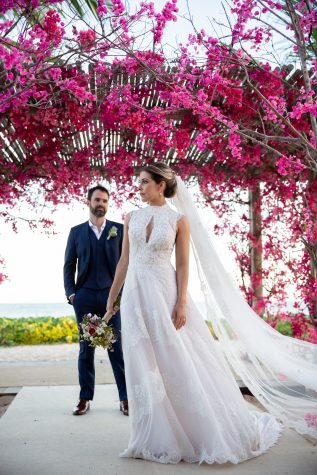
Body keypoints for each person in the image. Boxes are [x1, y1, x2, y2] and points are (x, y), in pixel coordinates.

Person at [105, 162, 283, 464]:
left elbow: (184, 264)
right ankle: (150, 434)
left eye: (145, 182)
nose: (139, 187)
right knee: (141, 360)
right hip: (135, 295)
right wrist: (112, 300)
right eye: (139, 182)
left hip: (165, 293)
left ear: (161, 185)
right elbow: (124, 261)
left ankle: (193, 429)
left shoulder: (178, 220)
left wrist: (182, 303)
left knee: (175, 357)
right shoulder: (130, 217)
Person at [64, 185, 128, 417]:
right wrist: (72, 294)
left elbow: (127, 264)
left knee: (117, 348)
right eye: (97, 200)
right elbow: (69, 264)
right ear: (88, 202)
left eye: (104, 201)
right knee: (86, 349)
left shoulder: (119, 230)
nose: (101, 204)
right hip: (86, 297)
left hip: (113, 298)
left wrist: (123, 295)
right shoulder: (76, 232)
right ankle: (84, 398)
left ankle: (125, 397)